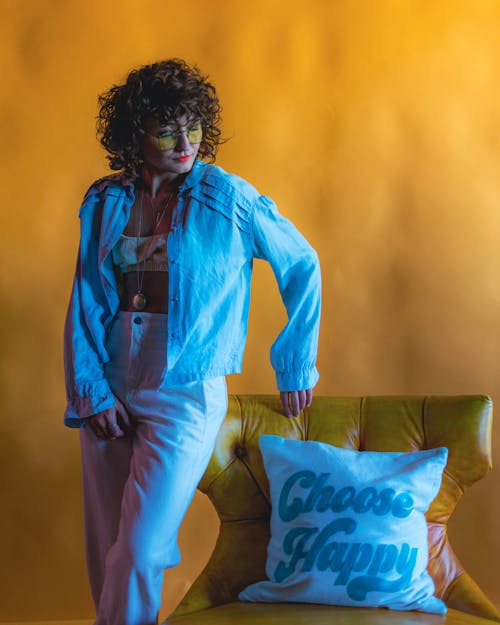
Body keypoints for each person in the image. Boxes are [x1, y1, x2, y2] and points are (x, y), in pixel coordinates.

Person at [63, 58, 321, 625]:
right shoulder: (106, 200)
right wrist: (91, 390)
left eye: (194, 126)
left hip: (185, 394)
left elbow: (302, 263)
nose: (185, 142)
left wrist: (295, 362)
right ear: (135, 133)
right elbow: (86, 299)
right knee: (108, 553)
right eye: (166, 129)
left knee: (140, 550)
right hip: (109, 387)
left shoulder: (228, 198)